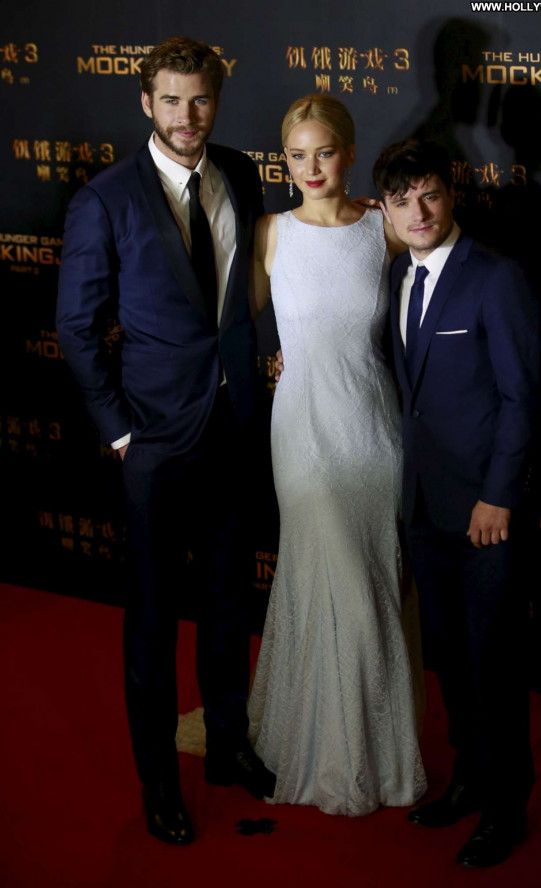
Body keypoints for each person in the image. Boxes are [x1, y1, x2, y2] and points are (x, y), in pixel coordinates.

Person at [56, 36, 274, 846]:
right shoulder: (104, 200)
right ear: (146, 103)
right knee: (152, 619)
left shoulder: (241, 174)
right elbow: (76, 328)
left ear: (216, 101)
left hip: (234, 426)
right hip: (152, 440)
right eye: (173, 100)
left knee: (229, 600)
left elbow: (245, 294)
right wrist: (119, 431)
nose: (188, 115)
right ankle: (159, 782)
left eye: (201, 99)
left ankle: (227, 745)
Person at [247, 95, 427, 816]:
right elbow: (234, 326)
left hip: (374, 431)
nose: (311, 168)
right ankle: (330, 753)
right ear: (284, 162)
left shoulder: (383, 228)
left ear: (350, 154)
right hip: (303, 433)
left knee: (376, 588)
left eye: (324, 152)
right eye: (298, 156)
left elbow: (440, 281)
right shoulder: (269, 232)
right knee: (335, 586)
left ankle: (376, 753)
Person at [373, 139, 539, 867]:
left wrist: (498, 497)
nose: (418, 212)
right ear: (385, 209)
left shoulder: (495, 276)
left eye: (430, 195)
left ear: (452, 194)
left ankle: (506, 808)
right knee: (451, 660)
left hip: (484, 513)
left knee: (493, 664)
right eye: (402, 200)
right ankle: (469, 779)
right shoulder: (395, 276)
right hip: (421, 506)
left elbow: (521, 398)